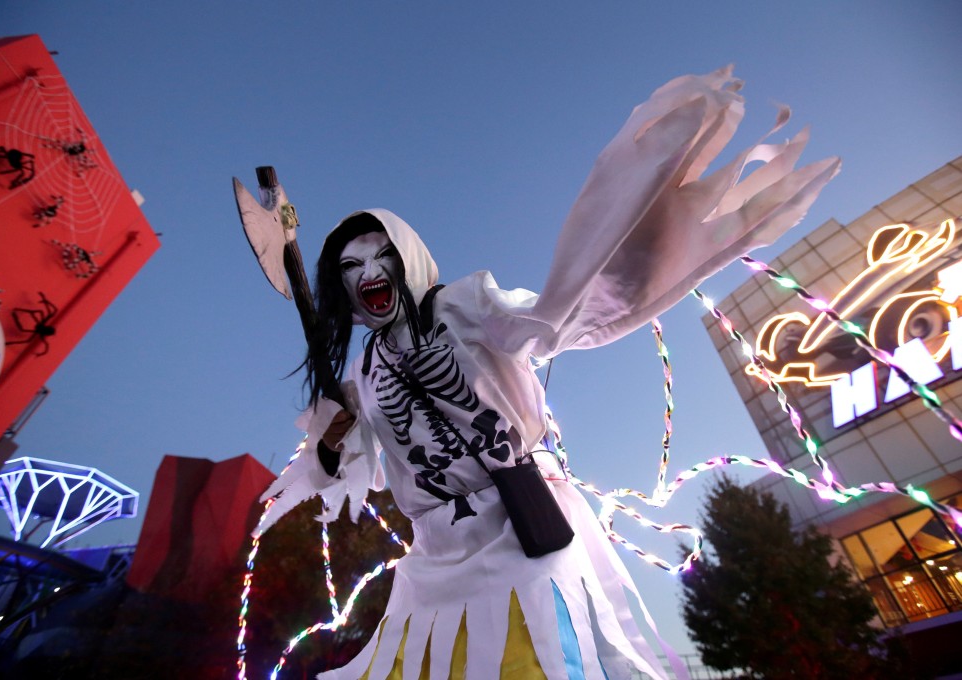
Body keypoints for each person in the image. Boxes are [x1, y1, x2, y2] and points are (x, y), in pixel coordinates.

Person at [255, 66, 840, 679]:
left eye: (382, 254)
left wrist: (605, 258)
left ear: (408, 259)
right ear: (339, 284)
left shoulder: (462, 305)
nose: (369, 271)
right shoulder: (365, 372)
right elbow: (343, 470)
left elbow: (540, 325)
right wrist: (330, 437)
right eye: (351, 265)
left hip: (519, 529)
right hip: (433, 558)